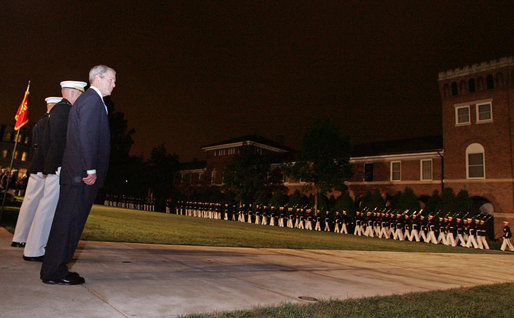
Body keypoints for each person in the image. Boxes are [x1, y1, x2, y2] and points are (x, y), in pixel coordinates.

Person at [40, 65, 115, 285]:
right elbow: (87, 137)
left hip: (75, 175)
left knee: (66, 223)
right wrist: (90, 169)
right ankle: (56, 272)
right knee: (69, 225)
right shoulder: (92, 101)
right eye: (111, 79)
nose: (114, 84)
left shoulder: (89, 101)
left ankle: (54, 269)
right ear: (98, 78)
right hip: (81, 177)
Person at [22, 81, 86, 262]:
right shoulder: (64, 111)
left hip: (54, 166)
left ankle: (34, 247)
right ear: (73, 93)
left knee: (45, 208)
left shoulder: (59, 111)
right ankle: (35, 249)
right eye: (80, 93)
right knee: (47, 209)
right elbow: (59, 142)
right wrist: (59, 166)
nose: (81, 97)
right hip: (58, 167)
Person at [11, 97, 58, 248]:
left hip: (35, 165)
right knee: (40, 204)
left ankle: (20, 237)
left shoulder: (40, 122)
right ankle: (30, 239)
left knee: (30, 202)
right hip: (42, 167)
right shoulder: (50, 122)